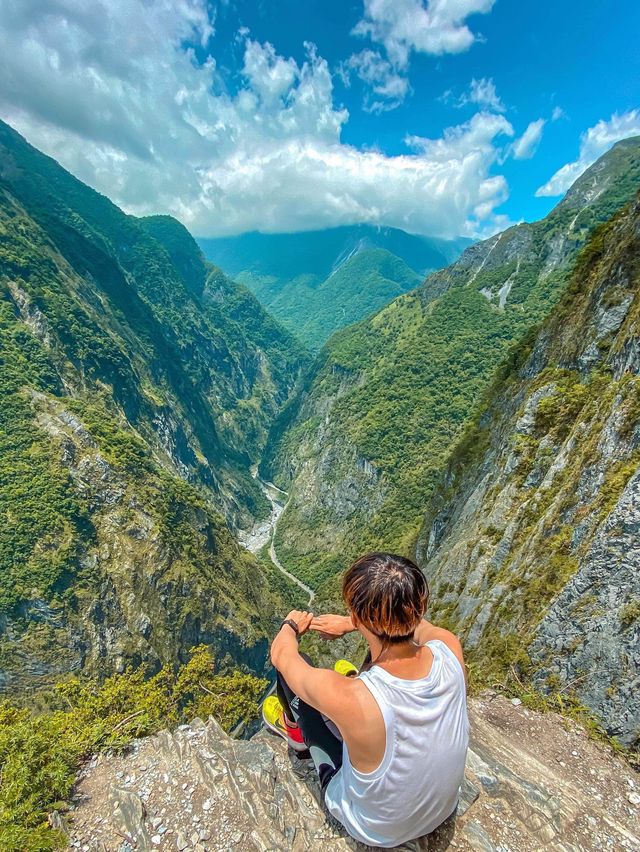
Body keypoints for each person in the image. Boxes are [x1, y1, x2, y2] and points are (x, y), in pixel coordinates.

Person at [263, 552, 469, 848]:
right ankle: (352, 689)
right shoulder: (449, 648)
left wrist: (290, 625)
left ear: (360, 616)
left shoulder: (354, 698)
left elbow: (282, 655)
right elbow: (416, 628)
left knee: (300, 673)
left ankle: (297, 738)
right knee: (389, 651)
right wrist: (352, 623)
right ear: (419, 606)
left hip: (376, 828)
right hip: (442, 809)